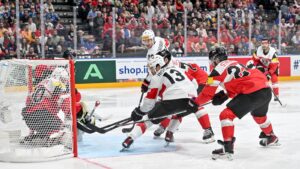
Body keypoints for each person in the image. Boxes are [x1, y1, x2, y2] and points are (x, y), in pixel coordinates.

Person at [195, 46, 279, 160]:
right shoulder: (234, 62)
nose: (211, 63)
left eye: (212, 61)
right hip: (265, 90)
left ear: (215, 59)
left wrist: (195, 103)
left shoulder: (217, 70)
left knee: (226, 115)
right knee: (259, 116)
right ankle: (271, 136)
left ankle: (227, 148)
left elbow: (206, 94)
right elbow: (239, 85)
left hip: (252, 92)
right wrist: (225, 95)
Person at [122, 54, 199, 149]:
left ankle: (130, 138)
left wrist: (140, 112)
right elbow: (195, 83)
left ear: (158, 66)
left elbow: (149, 102)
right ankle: (169, 134)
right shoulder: (177, 68)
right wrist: (191, 98)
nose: (151, 71)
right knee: (176, 114)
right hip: (191, 102)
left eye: (152, 68)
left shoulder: (156, 77)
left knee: (147, 119)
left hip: (172, 100)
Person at [152, 49, 214, 144]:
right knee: (179, 109)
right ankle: (169, 131)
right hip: (201, 82)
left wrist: (209, 88)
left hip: (199, 83)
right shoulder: (170, 64)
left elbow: (193, 80)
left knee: (193, 105)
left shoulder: (170, 67)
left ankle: (209, 130)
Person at [20, 67, 71, 146]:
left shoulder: (43, 82)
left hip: (28, 119)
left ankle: (32, 135)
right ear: (57, 76)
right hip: (42, 117)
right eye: (63, 79)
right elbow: (63, 105)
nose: (65, 81)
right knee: (60, 124)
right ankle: (49, 138)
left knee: (39, 112)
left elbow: (28, 101)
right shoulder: (57, 84)